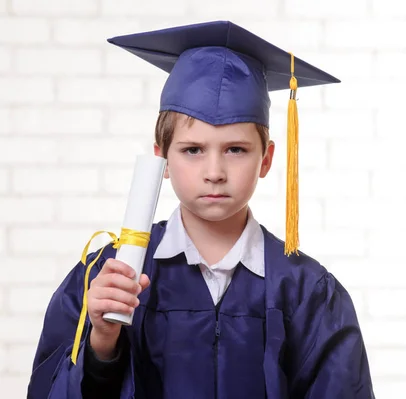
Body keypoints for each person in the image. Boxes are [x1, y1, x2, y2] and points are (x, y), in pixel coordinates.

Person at [27, 20, 374, 398]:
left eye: (236, 149)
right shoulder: (108, 279)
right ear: (161, 158)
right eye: (193, 150)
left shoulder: (307, 292)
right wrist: (103, 343)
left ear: (267, 158)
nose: (214, 173)